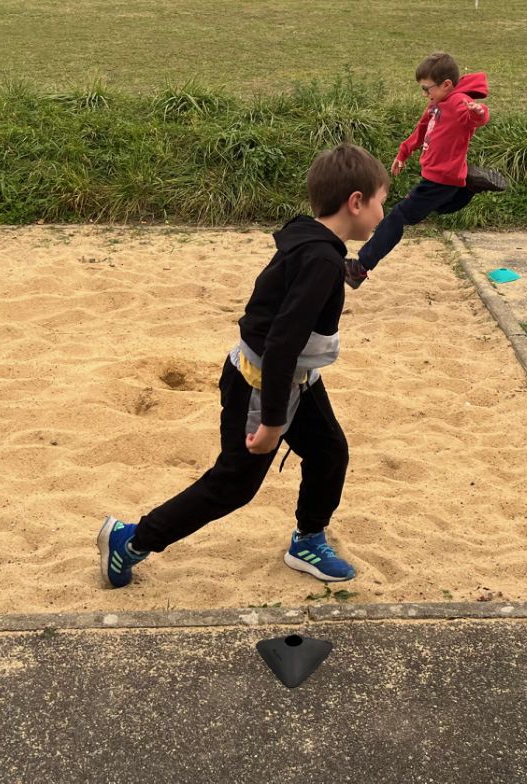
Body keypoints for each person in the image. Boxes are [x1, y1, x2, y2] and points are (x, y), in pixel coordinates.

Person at [98, 143, 390, 588]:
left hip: (293, 379)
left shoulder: (312, 240)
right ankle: (131, 540)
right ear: (356, 202)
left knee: (329, 452)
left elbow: (298, 291)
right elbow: (281, 343)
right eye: (381, 203)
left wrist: (342, 270)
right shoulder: (319, 260)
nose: (382, 215)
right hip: (262, 383)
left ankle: (308, 539)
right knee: (234, 484)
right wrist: (273, 422)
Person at [348, 51, 507, 287]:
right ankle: (468, 187)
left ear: (446, 85)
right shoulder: (437, 104)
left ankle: (360, 267)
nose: (424, 94)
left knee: (398, 216)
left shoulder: (457, 102)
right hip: (443, 177)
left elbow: (476, 117)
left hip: (441, 177)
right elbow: (421, 129)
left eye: (427, 88)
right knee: (441, 207)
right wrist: (404, 152)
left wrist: (479, 112)